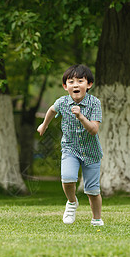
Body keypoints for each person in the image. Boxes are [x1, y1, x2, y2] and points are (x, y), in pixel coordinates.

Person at [37, 64, 104, 226]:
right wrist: (44, 125)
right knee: (67, 179)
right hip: (70, 148)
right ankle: (72, 202)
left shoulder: (94, 103)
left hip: (91, 152)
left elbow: (94, 130)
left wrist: (81, 116)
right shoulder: (62, 102)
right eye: (71, 81)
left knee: (92, 190)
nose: (75, 84)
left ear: (89, 85)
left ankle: (96, 219)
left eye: (80, 81)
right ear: (65, 86)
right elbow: (52, 110)